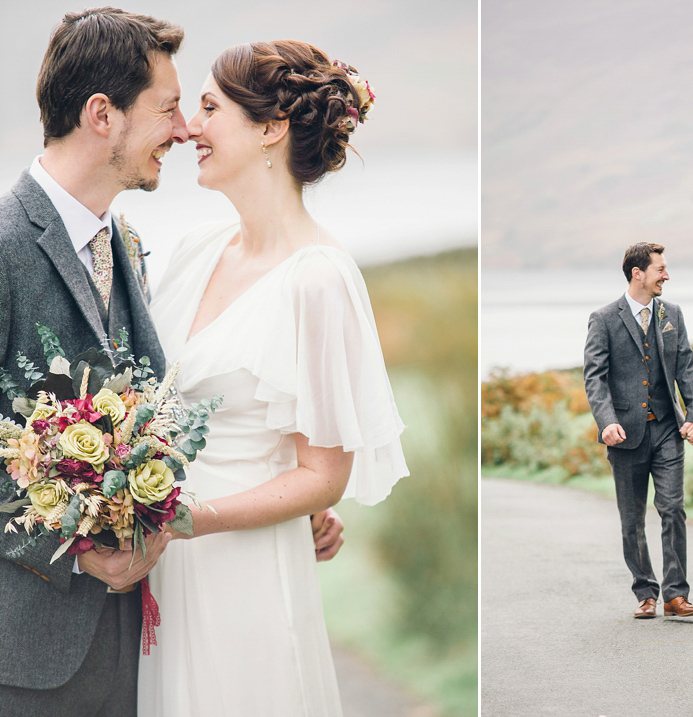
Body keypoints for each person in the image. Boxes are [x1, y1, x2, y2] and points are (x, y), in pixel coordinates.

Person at [0, 10, 342, 715]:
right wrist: (68, 540)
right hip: (28, 654)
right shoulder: (5, 245)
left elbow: (158, 411)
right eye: (169, 107)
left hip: (142, 641)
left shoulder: (125, 245)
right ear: (102, 115)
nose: (185, 129)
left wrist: (282, 498)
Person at [136, 40, 407, 716]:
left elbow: (324, 473)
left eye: (207, 108)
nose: (188, 127)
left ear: (272, 127)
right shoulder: (198, 251)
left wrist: (194, 519)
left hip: (241, 565)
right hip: (160, 566)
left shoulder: (318, 277)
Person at [583, 242, 693, 619]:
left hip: (668, 429)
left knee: (673, 509)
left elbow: (686, 366)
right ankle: (645, 591)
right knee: (632, 519)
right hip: (625, 434)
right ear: (638, 273)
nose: (666, 276)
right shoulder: (603, 318)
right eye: (660, 269)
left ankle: (675, 595)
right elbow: (595, 378)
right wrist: (607, 422)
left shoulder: (673, 313)